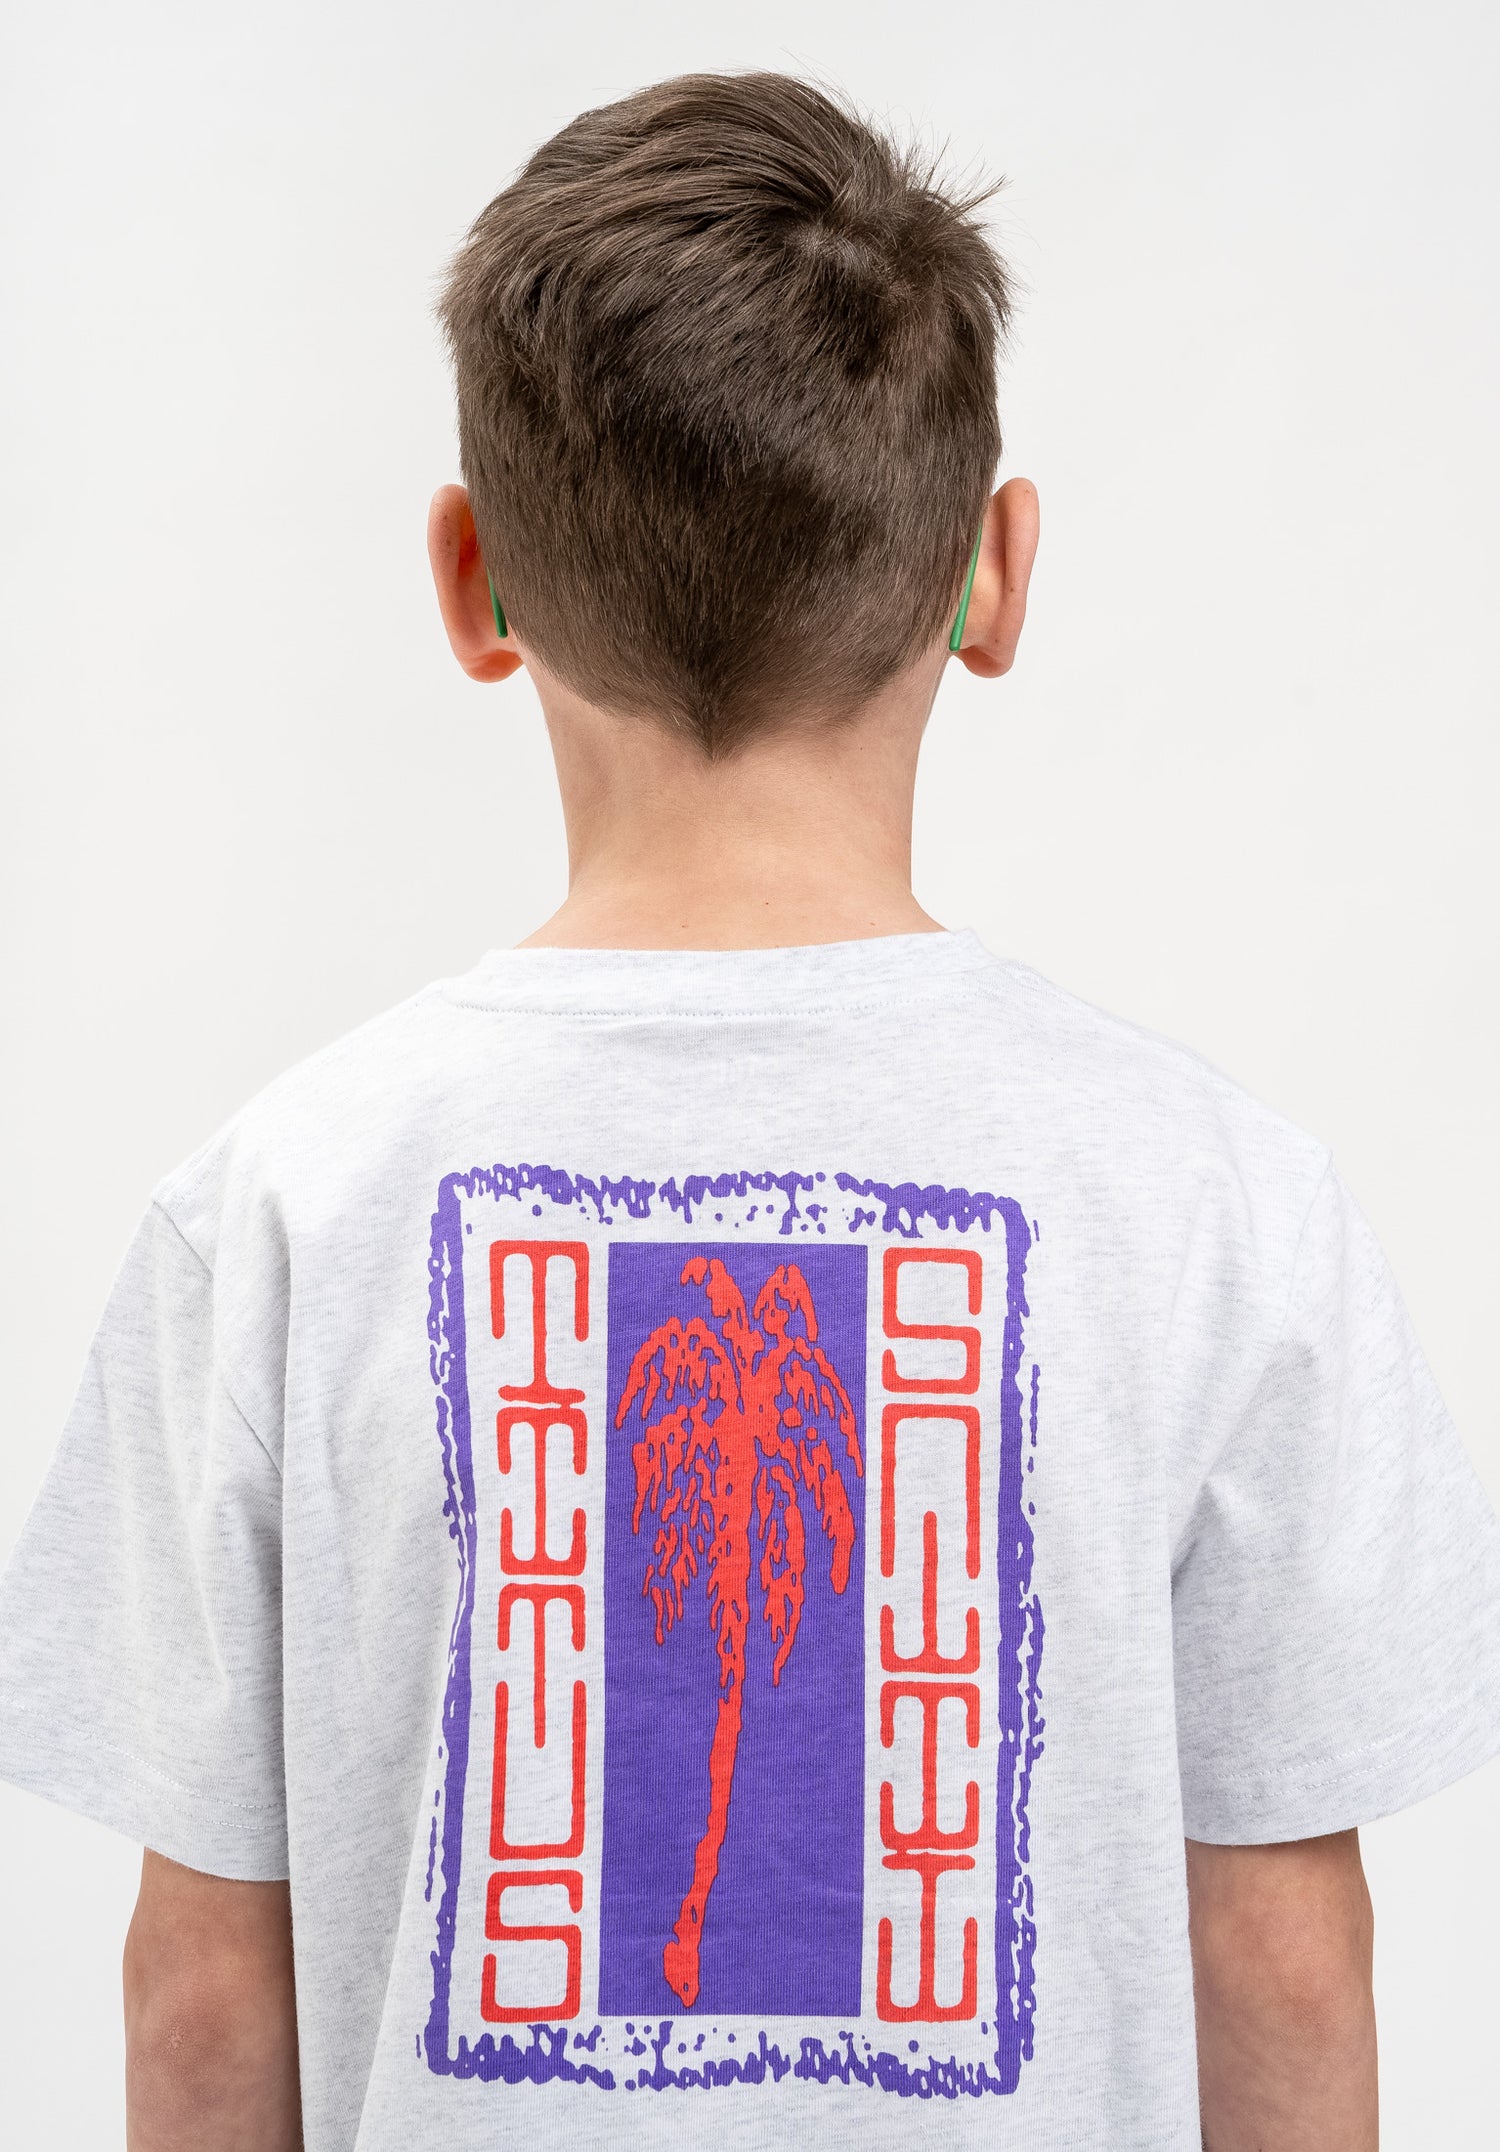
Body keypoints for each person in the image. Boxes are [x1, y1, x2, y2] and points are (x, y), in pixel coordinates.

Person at [1, 69, 1497, 2152]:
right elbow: (1286, 1967)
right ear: (995, 573)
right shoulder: (1227, 1207)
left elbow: (199, 1992)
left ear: (471, 576)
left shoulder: (270, 1210)